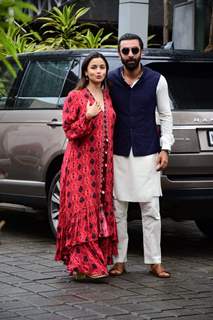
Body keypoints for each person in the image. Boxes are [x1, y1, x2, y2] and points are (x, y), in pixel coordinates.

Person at [108, 33, 174, 278]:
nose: (130, 55)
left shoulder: (157, 80)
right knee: (117, 210)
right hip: (118, 152)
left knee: (151, 209)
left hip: (148, 151)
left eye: (134, 50)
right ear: (119, 54)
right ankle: (119, 260)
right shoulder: (111, 80)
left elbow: (166, 116)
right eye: (125, 51)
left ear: (142, 52)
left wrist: (165, 148)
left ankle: (155, 261)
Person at [55, 52, 118, 282]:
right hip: (80, 164)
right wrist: (88, 116)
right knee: (83, 211)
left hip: (102, 166)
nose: (98, 71)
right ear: (85, 71)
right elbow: (70, 131)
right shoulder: (76, 96)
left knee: (99, 209)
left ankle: (89, 264)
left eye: (102, 67)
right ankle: (86, 264)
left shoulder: (108, 96)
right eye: (94, 67)